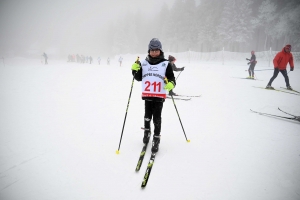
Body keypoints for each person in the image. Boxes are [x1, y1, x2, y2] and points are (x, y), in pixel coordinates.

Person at [131, 38, 176, 153]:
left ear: (160, 51)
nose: (154, 52)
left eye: (157, 50)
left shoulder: (166, 64)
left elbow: (172, 79)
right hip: (148, 95)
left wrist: (171, 84)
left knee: (157, 117)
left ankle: (156, 138)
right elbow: (138, 77)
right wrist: (134, 70)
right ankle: (147, 132)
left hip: (159, 96)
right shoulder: (144, 63)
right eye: (152, 50)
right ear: (149, 51)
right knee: (147, 116)